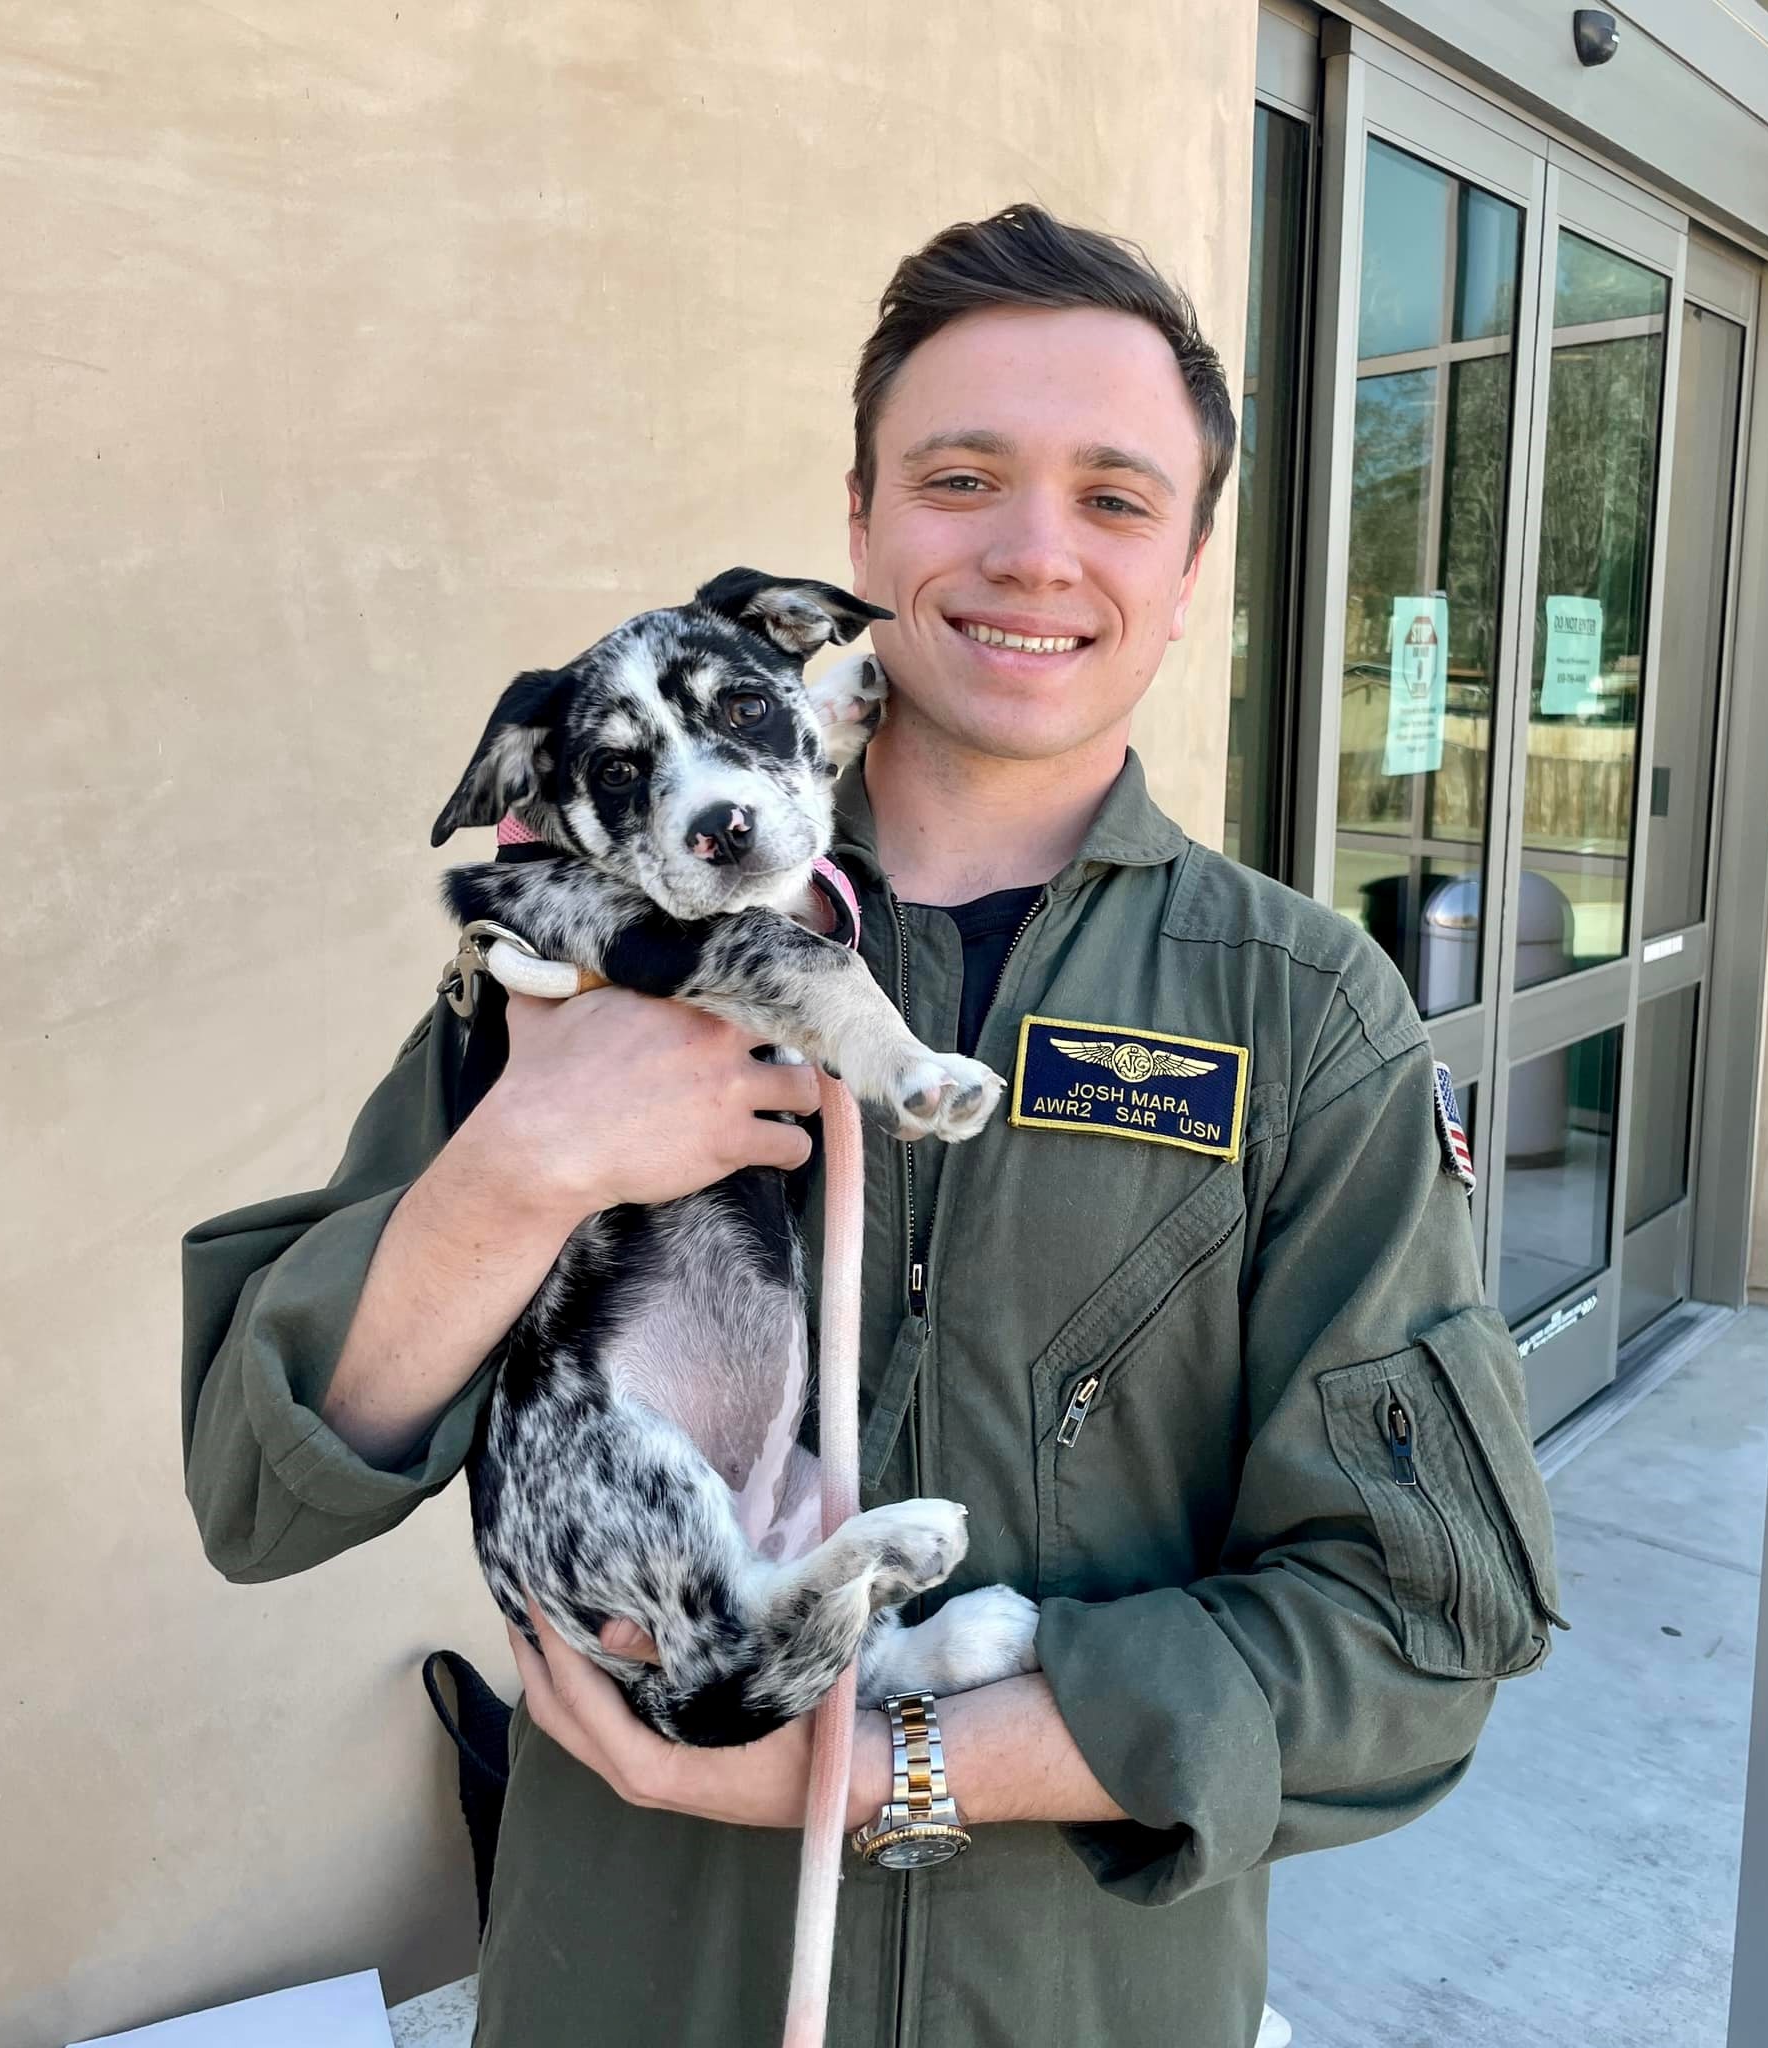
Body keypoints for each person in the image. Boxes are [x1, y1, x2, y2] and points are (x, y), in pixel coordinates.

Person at [181, 204, 1562, 2048]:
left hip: (1069, 1997)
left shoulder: (1301, 1013)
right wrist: (527, 1160)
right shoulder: (589, 948)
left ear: (1194, 564)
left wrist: (890, 1768)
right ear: (860, 524)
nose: (1031, 551)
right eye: (962, 475)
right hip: (636, 1986)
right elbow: (262, 1484)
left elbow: (1417, 1629)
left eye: (1117, 498)